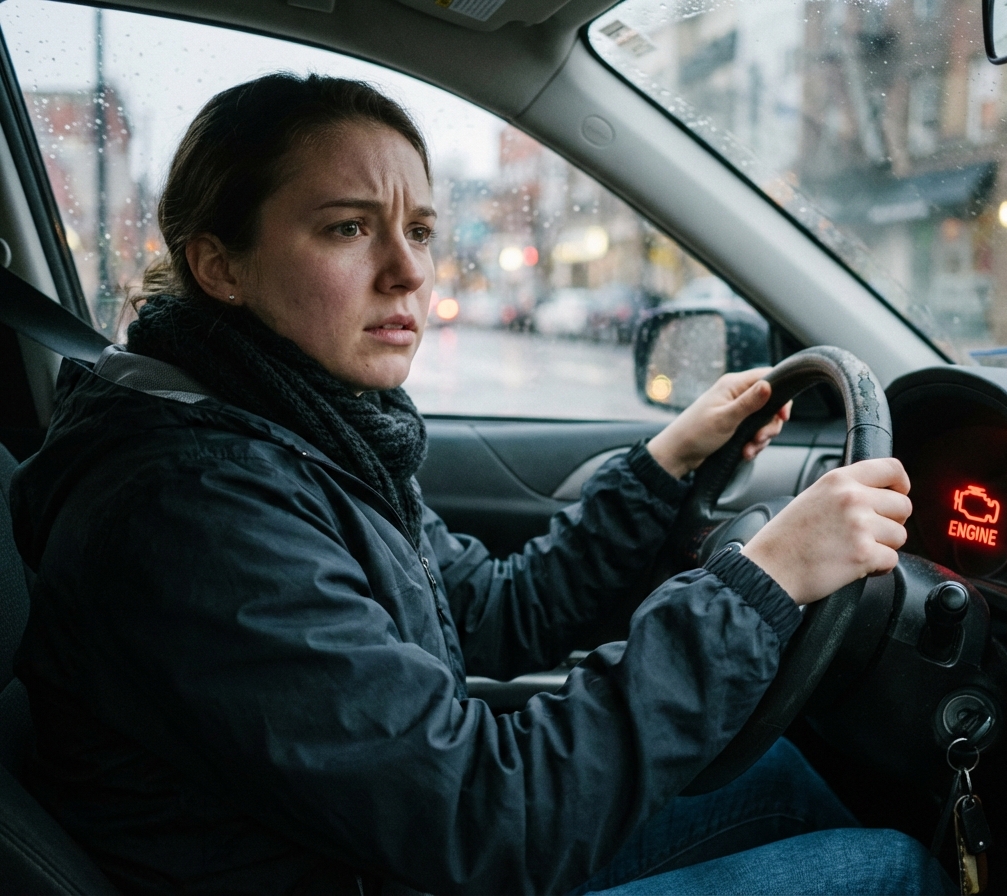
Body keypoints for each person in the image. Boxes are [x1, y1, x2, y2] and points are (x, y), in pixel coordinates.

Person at [9, 73, 949, 895]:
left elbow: (488, 615)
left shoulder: (298, 434)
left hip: (366, 856)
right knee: (892, 872)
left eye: (418, 228)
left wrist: (665, 468)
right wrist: (761, 585)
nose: (409, 270)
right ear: (221, 265)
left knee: (777, 775)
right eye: (348, 228)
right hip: (381, 868)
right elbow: (489, 822)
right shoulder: (197, 511)